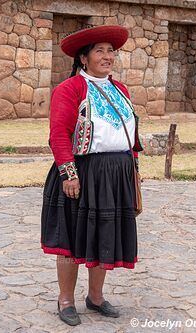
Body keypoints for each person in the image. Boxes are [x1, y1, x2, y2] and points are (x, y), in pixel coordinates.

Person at [41, 25, 143, 326]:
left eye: (111, 51)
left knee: (104, 235)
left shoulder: (120, 90)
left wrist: (134, 172)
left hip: (116, 175)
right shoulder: (70, 89)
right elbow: (59, 134)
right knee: (72, 238)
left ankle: (95, 297)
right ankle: (66, 299)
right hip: (82, 173)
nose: (108, 56)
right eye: (100, 50)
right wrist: (69, 174)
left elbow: (131, 136)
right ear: (83, 58)